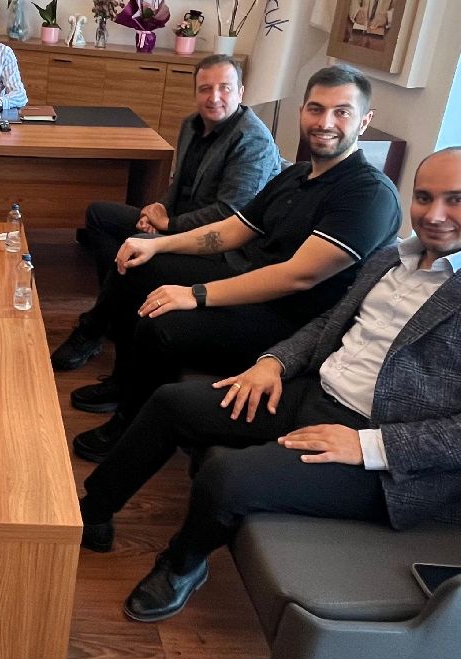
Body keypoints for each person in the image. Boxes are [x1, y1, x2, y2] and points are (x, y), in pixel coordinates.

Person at [76, 151, 461, 614]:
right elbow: (329, 324)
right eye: (424, 197)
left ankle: (182, 565)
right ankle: (93, 511)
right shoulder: (391, 258)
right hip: (317, 393)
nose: (435, 214)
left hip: (384, 455)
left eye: (455, 200)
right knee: (171, 403)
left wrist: (371, 445)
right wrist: (273, 363)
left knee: (227, 475)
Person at [71, 66, 402, 463]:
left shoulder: (368, 194)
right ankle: (124, 383)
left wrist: (196, 294)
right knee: (139, 265)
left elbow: (298, 276)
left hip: (292, 321)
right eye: (316, 109)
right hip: (251, 285)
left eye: (341, 112)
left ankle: (130, 423)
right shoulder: (298, 175)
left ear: (364, 120)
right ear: (301, 112)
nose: (325, 122)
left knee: (163, 325)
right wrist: (158, 245)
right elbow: (234, 229)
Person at [52, 55, 282, 370]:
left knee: (137, 246)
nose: (214, 97)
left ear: (241, 92)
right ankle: (118, 316)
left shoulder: (252, 140)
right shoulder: (191, 124)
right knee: (100, 216)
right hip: (180, 226)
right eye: (205, 88)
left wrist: (168, 225)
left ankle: (94, 327)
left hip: (222, 248)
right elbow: (180, 183)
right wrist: (158, 208)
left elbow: (229, 215)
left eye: (225, 88)